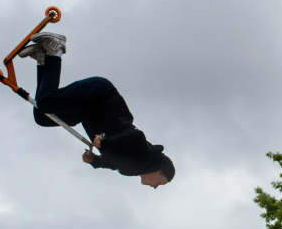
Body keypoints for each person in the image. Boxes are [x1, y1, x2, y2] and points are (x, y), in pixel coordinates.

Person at [19, 32, 175, 189]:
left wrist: (95, 161)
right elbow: (136, 138)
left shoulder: (132, 169)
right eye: (160, 183)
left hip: (86, 111)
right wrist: (105, 141)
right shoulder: (145, 156)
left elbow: (112, 163)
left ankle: (43, 59)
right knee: (46, 103)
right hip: (99, 96)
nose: (155, 187)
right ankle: (56, 49)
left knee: (42, 117)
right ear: (159, 170)